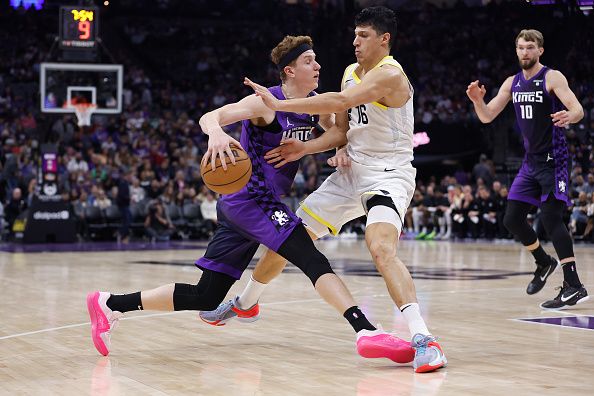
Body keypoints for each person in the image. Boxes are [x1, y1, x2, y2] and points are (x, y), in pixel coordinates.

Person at [86, 35, 412, 363]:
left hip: (242, 207)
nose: (318, 66)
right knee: (311, 258)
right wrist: (215, 132)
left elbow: (334, 131)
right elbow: (212, 116)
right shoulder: (264, 102)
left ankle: (110, 303)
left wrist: (334, 149)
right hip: (252, 199)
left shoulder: (309, 105)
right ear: (290, 70)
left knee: (206, 294)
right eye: (309, 61)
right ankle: (366, 330)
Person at [202, 7, 446, 373]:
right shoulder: (351, 73)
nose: (355, 42)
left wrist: (281, 104)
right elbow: (341, 130)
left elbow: (341, 102)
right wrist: (309, 148)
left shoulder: (390, 75)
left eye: (363, 36)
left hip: (388, 175)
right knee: (286, 240)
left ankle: (424, 339)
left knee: (380, 247)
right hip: (350, 175)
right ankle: (246, 302)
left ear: (384, 40)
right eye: (354, 35)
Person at [466, 29, 588, 309]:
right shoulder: (512, 82)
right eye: (520, 47)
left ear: (540, 51)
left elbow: (578, 109)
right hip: (530, 163)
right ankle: (543, 262)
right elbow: (487, 116)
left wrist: (571, 115)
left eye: (530, 47)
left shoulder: (552, 77)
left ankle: (574, 285)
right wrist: (476, 101)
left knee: (550, 218)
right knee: (512, 219)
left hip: (553, 161)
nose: (524, 52)